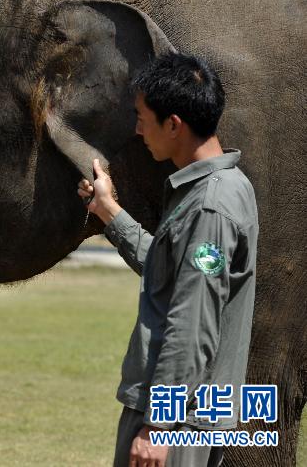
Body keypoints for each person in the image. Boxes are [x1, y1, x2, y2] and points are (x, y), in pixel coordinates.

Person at [78, 53, 257, 467]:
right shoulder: (224, 186)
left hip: (176, 422)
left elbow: (193, 323)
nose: (138, 129)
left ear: (174, 124)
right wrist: (108, 211)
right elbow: (172, 273)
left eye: (143, 118)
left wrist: (158, 425)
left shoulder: (210, 206)